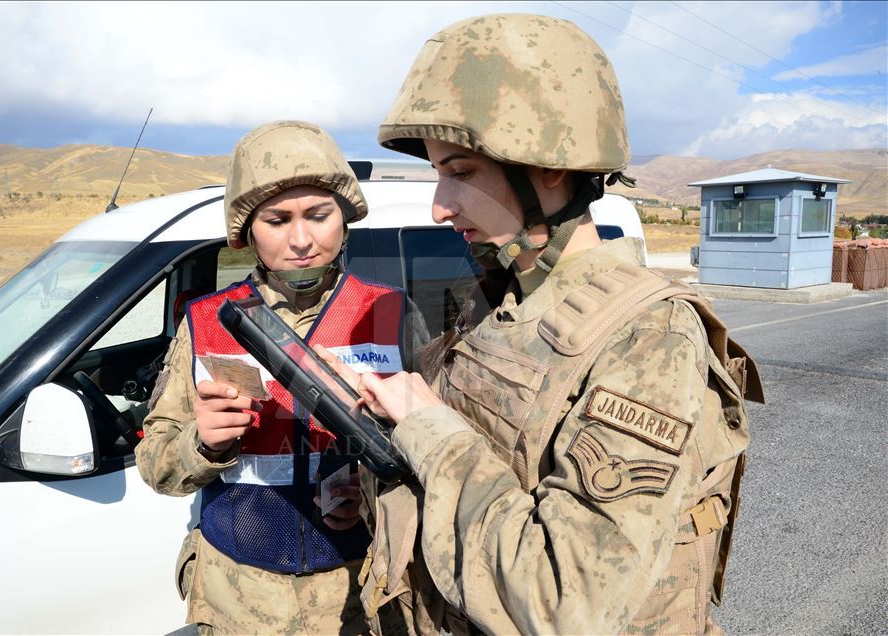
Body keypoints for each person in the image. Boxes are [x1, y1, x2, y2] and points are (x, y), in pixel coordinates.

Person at [320, 14, 765, 635]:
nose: (440, 206)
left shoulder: (650, 337)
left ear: (549, 168)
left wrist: (426, 427)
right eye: (439, 174)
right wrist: (373, 479)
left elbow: (565, 602)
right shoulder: (498, 301)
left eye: (461, 172)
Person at [135, 120, 425, 634]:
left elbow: (440, 454)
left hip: (359, 598)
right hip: (236, 600)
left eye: (318, 215)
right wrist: (201, 444)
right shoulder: (206, 322)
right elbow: (156, 465)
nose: (301, 239)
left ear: (344, 218)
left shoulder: (390, 312)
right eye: (277, 220)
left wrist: (375, 495)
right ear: (247, 230)